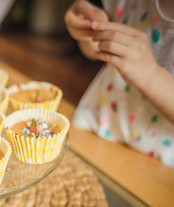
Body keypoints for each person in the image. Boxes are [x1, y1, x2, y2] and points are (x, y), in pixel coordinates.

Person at [64, 0, 174, 167]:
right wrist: (91, 34)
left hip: (159, 170)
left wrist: (151, 74)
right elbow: (94, 50)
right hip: (96, 130)